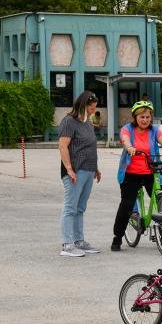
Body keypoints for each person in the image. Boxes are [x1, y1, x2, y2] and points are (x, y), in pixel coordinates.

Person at [111, 100, 162, 251]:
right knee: (126, 205)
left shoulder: (154, 131)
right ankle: (117, 237)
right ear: (135, 117)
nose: (144, 120)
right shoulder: (128, 129)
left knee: (160, 199)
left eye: (147, 117)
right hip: (131, 173)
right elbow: (125, 139)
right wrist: (130, 147)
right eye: (141, 117)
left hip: (151, 171)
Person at [58, 91, 102, 257]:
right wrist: (69, 169)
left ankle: (79, 241)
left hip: (88, 170)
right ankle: (67, 244)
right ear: (83, 105)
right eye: (91, 108)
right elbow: (63, 146)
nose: (93, 111)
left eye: (94, 108)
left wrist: (95, 168)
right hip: (75, 171)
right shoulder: (69, 121)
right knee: (70, 207)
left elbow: (89, 147)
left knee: (80, 208)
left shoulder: (87, 123)